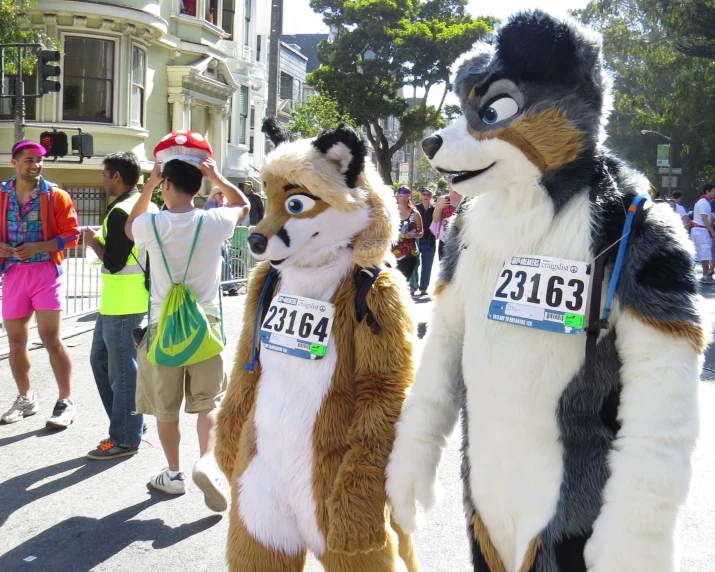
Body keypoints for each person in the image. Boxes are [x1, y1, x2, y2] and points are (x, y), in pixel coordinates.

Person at [125, 146, 249, 510]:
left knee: (167, 408)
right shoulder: (213, 223)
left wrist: (148, 186)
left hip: (164, 329)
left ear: (166, 185)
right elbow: (244, 206)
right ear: (197, 189)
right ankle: (207, 461)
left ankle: (175, 474)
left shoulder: (151, 224)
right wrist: (219, 179)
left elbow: (130, 226)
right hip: (205, 328)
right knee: (207, 404)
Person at [0, 140, 80, 428]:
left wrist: (38, 247)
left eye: (39, 160)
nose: (35, 166)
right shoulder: (1, 194)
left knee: (51, 339)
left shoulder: (55, 196)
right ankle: (26, 398)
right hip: (12, 275)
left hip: (46, 272)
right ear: (15, 162)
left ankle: (65, 401)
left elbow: (72, 236)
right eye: (29, 160)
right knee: (16, 340)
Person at [85, 152, 158, 459]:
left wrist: (91, 241)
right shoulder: (147, 205)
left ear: (116, 176)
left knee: (122, 373)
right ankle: (129, 425)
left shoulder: (122, 212)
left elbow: (114, 262)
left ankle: (126, 437)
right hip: (125, 301)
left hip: (124, 304)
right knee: (100, 362)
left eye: (104, 174)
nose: (102, 180)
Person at [204, 186, 239, 296]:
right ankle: (224, 286)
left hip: (220, 239)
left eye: (223, 193)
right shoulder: (211, 204)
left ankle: (228, 286)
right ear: (214, 195)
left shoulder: (221, 206)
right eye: (219, 193)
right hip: (214, 239)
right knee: (221, 262)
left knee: (226, 262)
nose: (222, 195)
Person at [392, 186, 423, 292]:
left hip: (409, 252)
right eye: (401, 196)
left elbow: (421, 232)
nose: (403, 199)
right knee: (393, 281)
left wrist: (412, 235)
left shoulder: (415, 213)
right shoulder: (392, 212)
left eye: (406, 196)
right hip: (393, 252)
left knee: (403, 281)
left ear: (409, 197)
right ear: (397, 197)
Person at [432, 177, 463, 260]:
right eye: (451, 182)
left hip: (460, 240)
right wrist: (438, 208)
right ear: (448, 184)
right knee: (444, 267)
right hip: (445, 239)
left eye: (455, 182)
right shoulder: (442, 199)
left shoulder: (465, 199)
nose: (453, 184)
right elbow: (436, 220)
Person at [691, 183, 715, 284]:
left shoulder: (703, 202)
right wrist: (712, 231)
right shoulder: (704, 203)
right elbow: (704, 219)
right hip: (701, 231)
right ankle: (706, 277)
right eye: (714, 191)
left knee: (702, 254)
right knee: (704, 254)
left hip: (700, 230)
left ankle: (706, 276)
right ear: (707, 191)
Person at [413, 186, 436, 296]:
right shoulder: (415, 208)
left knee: (427, 266)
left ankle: (424, 288)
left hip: (429, 241)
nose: (426, 196)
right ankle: (413, 285)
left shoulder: (435, 209)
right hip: (416, 240)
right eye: (424, 194)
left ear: (431, 196)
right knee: (414, 265)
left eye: (428, 194)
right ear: (421, 195)